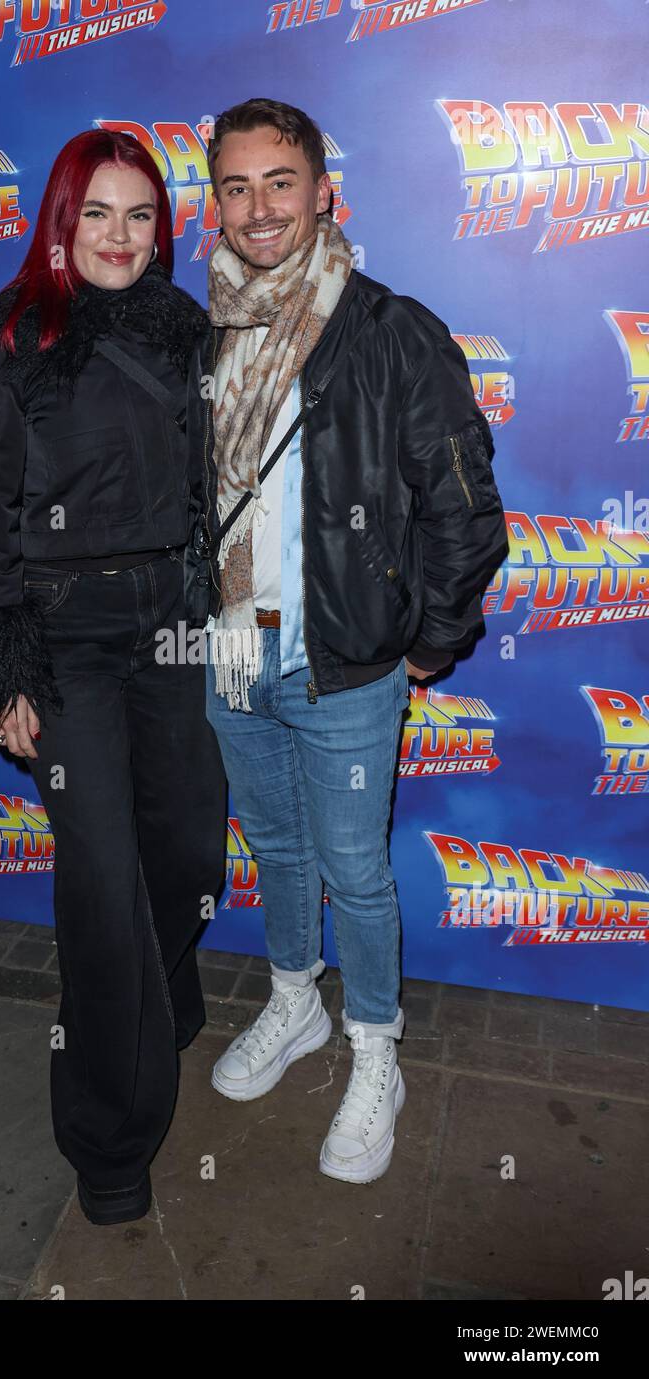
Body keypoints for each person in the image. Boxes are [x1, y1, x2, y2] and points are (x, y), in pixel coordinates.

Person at [184, 97, 509, 1184]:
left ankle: (376, 1047)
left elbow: (464, 504)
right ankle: (293, 1003)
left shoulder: (387, 328)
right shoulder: (201, 333)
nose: (258, 206)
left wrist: (430, 640)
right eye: (235, 185)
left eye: (280, 181)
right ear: (214, 201)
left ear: (322, 190)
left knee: (357, 874)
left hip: (346, 659)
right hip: (232, 651)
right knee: (274, 850)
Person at [0, 129, 228, 1226]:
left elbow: (223, 489)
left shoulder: (184, 328)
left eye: (140, 214)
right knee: (101, 887)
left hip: (176, 629)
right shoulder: (13, 338)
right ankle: (109, 1145)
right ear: (60, 220)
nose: (118, 235)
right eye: (96, 212)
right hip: (64, 645)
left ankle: (157, 995)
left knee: (190, 846)